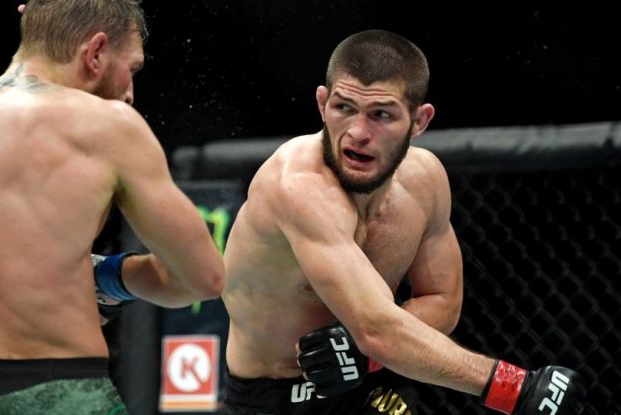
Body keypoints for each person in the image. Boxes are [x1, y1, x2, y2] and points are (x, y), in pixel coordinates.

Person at [220, 30, 586, 414]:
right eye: (344, 107)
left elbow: (442, 302)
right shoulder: (296, 185)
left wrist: (364, 356)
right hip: (276, 399)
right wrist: (515, 389)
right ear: (322, 104)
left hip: (373, 385)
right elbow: (375, 329)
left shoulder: (425, 179)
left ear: (419, 121)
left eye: (381, 115)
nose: (358, 133)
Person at [0, 0, 225, 413]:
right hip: (58, 393)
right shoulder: (108, 125)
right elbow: (205, 278)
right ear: (95, 52)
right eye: (131, 68)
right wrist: (110, 276)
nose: (130, 92)